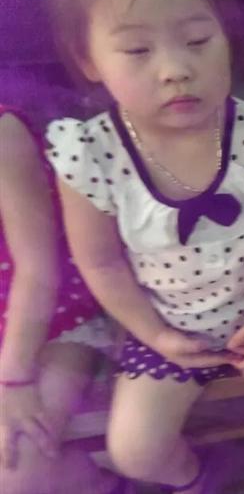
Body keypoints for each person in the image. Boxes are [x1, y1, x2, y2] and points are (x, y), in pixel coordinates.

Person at [42, 0, 244, 493]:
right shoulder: (92, 155)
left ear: (226, 38)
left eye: (197, 40)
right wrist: (155, 334)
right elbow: (101, 263)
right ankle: (200, 479)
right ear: (89, 60)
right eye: (137, 50)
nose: (175, 69)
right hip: (164, 328)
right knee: (134, 451)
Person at [0, 107, 121, 494]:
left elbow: (37, 271)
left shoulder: (4, 133)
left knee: (13, 473)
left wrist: (14, 381)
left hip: (55, 321)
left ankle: (103, 482)